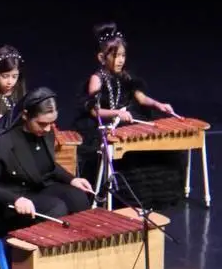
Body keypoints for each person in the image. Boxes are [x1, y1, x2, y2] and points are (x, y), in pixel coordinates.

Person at [74, 22, 181, 208]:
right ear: (102, 57)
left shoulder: (126, 77)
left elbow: (141, 98)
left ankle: (153, 197)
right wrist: (117, 113)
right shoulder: (96, 79)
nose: (120, 60)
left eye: (123, 55)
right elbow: (94, 110)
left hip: (127, 120)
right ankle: (122, 197)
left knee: (154, 144)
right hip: (106, 124)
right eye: (115, 56)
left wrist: (159, 105)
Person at [0, 87, 95, 236]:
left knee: (78, 197)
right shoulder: (2, 141)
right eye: (42, 124)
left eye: (51, 123)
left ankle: (81, 244)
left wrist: (72, 179)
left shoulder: (45, 133)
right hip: (3, 204)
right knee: (56, 208)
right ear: (25, 115)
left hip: (33, 189)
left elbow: (46, 165)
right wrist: (15, 199)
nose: (48, 129)